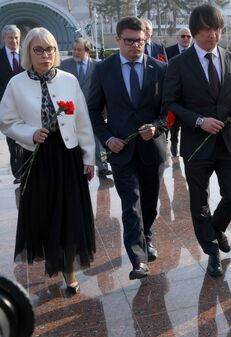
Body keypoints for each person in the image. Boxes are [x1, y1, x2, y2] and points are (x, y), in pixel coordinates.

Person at [0, 27, 96, 294]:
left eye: (50, 49)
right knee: (44, 212)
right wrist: (29, 133)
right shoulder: (16, 84)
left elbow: (82, 121)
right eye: (38, 49)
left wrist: (89, 157)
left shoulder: (68, 80)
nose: (45, 55)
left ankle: (69, 270)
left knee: (69, 213)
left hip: (67, 155)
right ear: (28, 52)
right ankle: (51, 258)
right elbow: (5, 121)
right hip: (37, 157)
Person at [163, 4, 231, 277]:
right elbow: (171, 102)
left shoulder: (230, 58)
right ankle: (211, 253)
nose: (214, 35)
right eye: (208, 29)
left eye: (218, 29)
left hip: (228, 142)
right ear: (196, 31)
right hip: (197, 144)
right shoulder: (178, 64)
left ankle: (217, 228)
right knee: (200, 201)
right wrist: (199, 120)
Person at [88, 16, 168, 280]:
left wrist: (156, 127)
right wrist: (107, 138)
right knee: (130, 203)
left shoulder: (159, 69)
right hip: (120, 149)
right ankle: (138, 259)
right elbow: (93, 110)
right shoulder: (103, 69)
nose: (136, 46)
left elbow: (168, 113)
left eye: (141, 41)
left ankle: (147, 236)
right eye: (130, 41)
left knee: (149, 204)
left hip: (151, 149)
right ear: (118, 40)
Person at [60, 37, 112, 178]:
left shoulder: (98, 66)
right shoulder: (64, 65)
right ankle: (76, 165)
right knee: (75, 139)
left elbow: (105, 89)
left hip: (94, 109)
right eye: (74, 49)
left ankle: (102, 166)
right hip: (71, 110)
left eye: (79, 50)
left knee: (98, 138)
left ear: (87, 51)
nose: (76, 52)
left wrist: (105, 110)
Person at [0, 25, 25, 184]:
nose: (14, 40)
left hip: (26, 105)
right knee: (12, 140)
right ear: (4, 39)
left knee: (27, 138)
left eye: (16, 37)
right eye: (10, 37)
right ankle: (18, 173)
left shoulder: (27, 54)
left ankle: (27, 169)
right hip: (6, 106)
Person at [165, 27, 192, 156]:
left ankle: (186, 150)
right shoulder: (168, 52)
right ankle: (174, 146)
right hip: (175, 97)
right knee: (174, 127)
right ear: (177, 37)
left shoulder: (196, 52)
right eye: (183, 36)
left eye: (188, 36)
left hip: (190, 98)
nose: (186, 38)